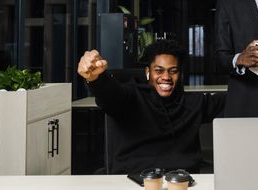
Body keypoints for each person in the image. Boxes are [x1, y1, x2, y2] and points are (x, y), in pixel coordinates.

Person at [77, 39, 225, 174]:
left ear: (180, 74)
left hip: (182, 182)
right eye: (159, 71)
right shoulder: (132, 97)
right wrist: (95, 78)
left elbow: (231, 99)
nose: (166, 77)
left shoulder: (194, 103)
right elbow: (111, 94)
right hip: (132, 181)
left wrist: (242, 66)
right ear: (148, 72)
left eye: (173, 71)